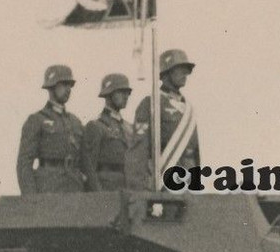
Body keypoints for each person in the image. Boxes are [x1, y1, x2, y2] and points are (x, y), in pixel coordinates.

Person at [133, 48, 202, 189]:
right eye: (180, 69)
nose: (185, 74)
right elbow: (139, 150)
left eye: (187, 70)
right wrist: (142, 186)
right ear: (166, 72)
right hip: (165, 177)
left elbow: (195, 151)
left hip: (189, 177)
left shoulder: (187, 107)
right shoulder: (151, 103)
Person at [16, 65, 85, 195]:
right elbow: (24, 164)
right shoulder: (37, 120)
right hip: (48, 187)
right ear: (52, 86)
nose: (68, 89)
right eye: (64, 84)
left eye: (70, 85)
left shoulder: (75, 122)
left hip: (74, 187)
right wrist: (31, 198)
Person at [82, 73, 139, 191]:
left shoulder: (130, 128)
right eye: (121, 92)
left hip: (129, 186)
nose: (126, 96)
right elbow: (89, 167)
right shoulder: (96, 126)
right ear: (108, 94)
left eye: (127, 93)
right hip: (107, 187)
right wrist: (99, 194)